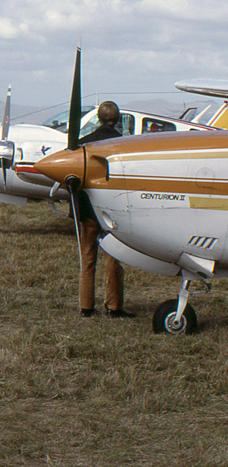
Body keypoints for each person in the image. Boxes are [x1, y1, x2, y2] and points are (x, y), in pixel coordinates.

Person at [76, 101, 130, 318]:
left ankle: (86, 307)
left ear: (98, 119)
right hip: (111, 212)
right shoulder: (123, 145)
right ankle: (114, 307)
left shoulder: (83, 144)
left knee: (87, 259)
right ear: (117, 120)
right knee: (112, 260)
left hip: (88, 211)